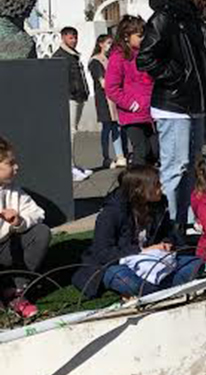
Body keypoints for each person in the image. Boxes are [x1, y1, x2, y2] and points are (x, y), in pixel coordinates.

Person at [137, 0, 206, 229]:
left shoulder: (190, 17)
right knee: (176, 167)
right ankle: (171, 225)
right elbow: (146, 58)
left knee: (192, 166)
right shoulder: (164, 17)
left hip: (193, 104)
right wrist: (178, 77)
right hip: (173, 105)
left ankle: (188, 220)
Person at [72, 165, 202, 298]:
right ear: (140, 190)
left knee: (197, 264)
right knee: (129, 282)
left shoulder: (159, 204)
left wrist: (166, 243)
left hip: (155, 261)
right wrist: (142, 251)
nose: (161, 187)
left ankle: (154, 291)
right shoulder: (112, 213)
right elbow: (102, 253)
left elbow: (169, 233)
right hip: (119, 265)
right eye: (156, 185)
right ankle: (164, 288)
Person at [0, 137, 50, 319]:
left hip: (6, 247)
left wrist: (19, 221)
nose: (16, 167)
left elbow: (38, 213)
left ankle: (16, 292)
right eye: (10, 163)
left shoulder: (13, 189)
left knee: (41, 232)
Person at [106, 15, 158, 166]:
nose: (143, 39)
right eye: (140, 36)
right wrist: (132, 104)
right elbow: (112, 88)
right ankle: (135, 186)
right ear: (126, 36)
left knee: (154, 151)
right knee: (141, 150)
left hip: (151, 112)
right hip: (133, 114)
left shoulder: (146, 54)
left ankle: (148, 183)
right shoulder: (118, 57)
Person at [54, 26, 92, 182]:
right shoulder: (60, 56)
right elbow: (57, 80)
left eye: (75, 37)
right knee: (70, 133)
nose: (74, 40)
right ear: (63, 38)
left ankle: (73, 166)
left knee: (73, 131)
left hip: (78, 97)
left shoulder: (73, 55)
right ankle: (68, 168)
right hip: (69, 98)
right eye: (71, 38)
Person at [89, 33, 127, 169]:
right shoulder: (95, 61)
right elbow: (102, 82)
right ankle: (106, 157)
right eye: (108, 43)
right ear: (101, 44)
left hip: (114, 97)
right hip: (103, 99)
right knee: (107, 128)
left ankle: (120, 155)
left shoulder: (110, 59)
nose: (111, 46)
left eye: (112, 43)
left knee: (117, 126)